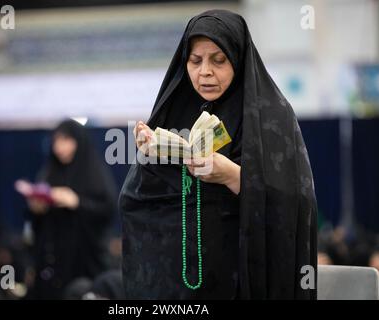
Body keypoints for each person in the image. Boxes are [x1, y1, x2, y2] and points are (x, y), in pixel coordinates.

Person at [119, 10, 318, 299]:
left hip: (243, 279)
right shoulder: (176, 110)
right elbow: (136, 200)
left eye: (218, 60)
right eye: (195, 60)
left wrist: (234, 176)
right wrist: (153, 156)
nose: (205, 72)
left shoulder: (271, 117)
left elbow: (298, 203)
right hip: (182, 287)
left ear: (237, 57)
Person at [27, 119, 117, 299]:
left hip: (85, 259)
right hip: (53, 261)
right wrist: (37, 208)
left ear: (78, 142)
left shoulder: (93, 172)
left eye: (66, 140)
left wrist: (77, 202)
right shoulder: (49, 172)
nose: (60, 147)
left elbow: (108, 209)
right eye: (56, 141)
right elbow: (38, 221)